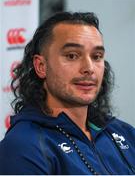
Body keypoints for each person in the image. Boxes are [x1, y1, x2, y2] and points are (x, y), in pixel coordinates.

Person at [0, 11, 135, 175]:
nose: (89, 68)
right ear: (41, 66)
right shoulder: (23, 146)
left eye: (97, 56)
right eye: (72, 56)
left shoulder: (124, 132)